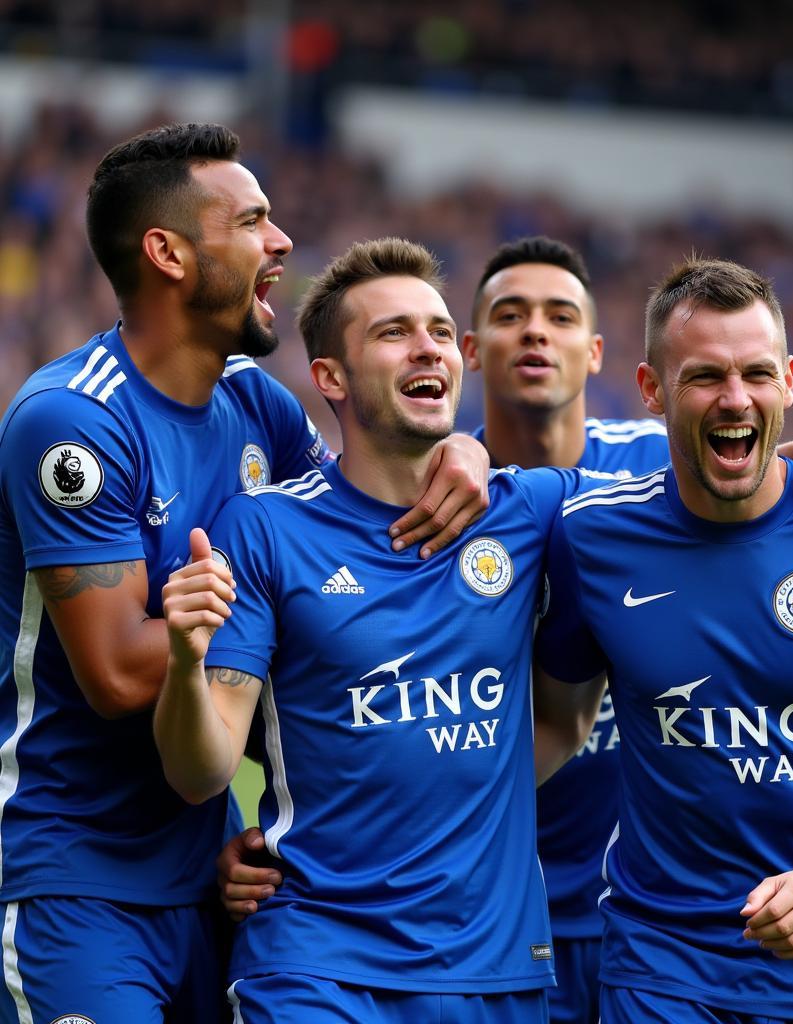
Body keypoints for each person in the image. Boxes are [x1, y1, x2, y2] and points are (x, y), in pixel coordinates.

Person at [217, 235, 793, 1024]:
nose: (536, 333)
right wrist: (316, 837)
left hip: (579, 931)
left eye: (559, 314)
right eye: (509, 315)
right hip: (540, 937)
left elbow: (737, 463)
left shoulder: (620, 482)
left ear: (600, 353)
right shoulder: (451, 504)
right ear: (478, 351)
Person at [0, 125, 487, 1023]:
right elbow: (113, 675)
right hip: (82, 881)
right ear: (169, 253)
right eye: (254, 221)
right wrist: (269, 616)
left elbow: (349, 525)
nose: (283, 241)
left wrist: (462, 449)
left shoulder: (257, 404)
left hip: (226, 870)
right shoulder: (71, 423)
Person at [154, 237, 606, 1022]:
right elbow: (201, 771)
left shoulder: (529, 510)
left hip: (496, 974)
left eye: (438, 330)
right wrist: (187, 661)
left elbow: (707, 496)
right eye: (393, 332)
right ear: (330, 376)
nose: (427, 346)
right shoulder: (263, 529)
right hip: (317, 968)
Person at [535, 256, 793, 1024]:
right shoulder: (589, 535)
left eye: (757, 374)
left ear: (790, 381)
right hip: (661, 972)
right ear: (652, 390)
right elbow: (554, 724)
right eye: (704, 377)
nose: (736, 398)